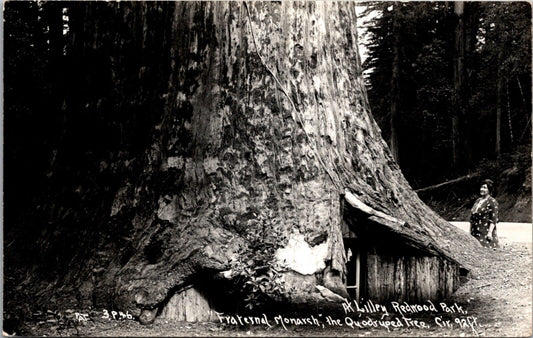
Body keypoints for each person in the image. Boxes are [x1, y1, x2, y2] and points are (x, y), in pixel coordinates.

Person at [470, 179, 499, 248]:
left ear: (489, 190)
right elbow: (472, 218)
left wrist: (489, 233)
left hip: (485, 234)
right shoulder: (478, 200)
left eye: (484, 188)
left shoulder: (492, 201)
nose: (482, 189)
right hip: (474, 233)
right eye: (481, 187)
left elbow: (493, 219)